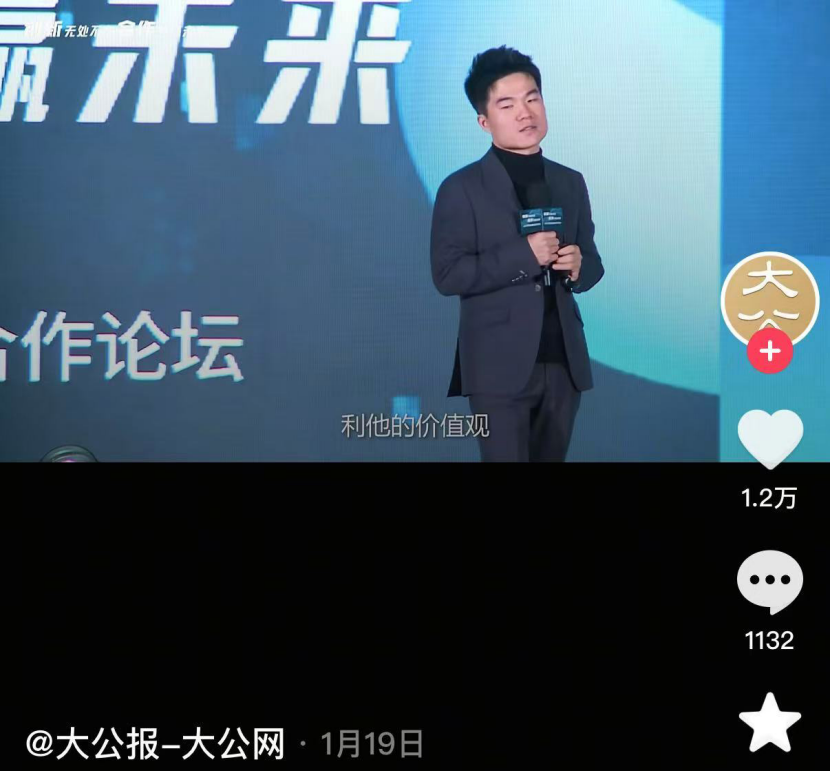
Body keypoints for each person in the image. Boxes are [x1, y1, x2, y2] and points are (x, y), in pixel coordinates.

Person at [430, 45, 604, 462]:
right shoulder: (462, 188)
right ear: (484, 121)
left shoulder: (570, 182)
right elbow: (448, 274)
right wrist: (524, 255)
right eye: (507, 105)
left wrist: (578, 267)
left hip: (563, 362)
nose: (525, 113)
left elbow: (593, 263)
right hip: (497, 367)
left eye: (532, 99)